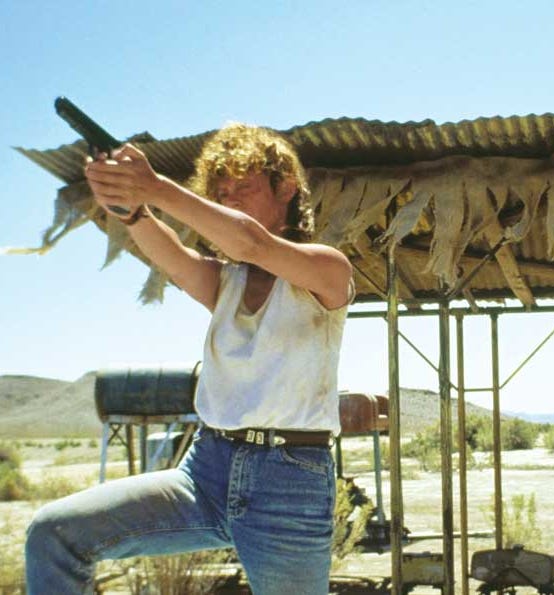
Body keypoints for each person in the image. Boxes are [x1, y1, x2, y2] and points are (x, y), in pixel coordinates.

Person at [25, 123, 354, 595]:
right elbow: (173, 255)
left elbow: (252, 243)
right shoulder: (226, 282)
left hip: (289, 482)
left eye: (244, 187)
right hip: (205, 468)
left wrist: (154, 187)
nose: (230, 200)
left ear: (285, 191)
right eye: (221, 192)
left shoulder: (327, 268)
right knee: (53, 535)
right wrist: (133, 210)